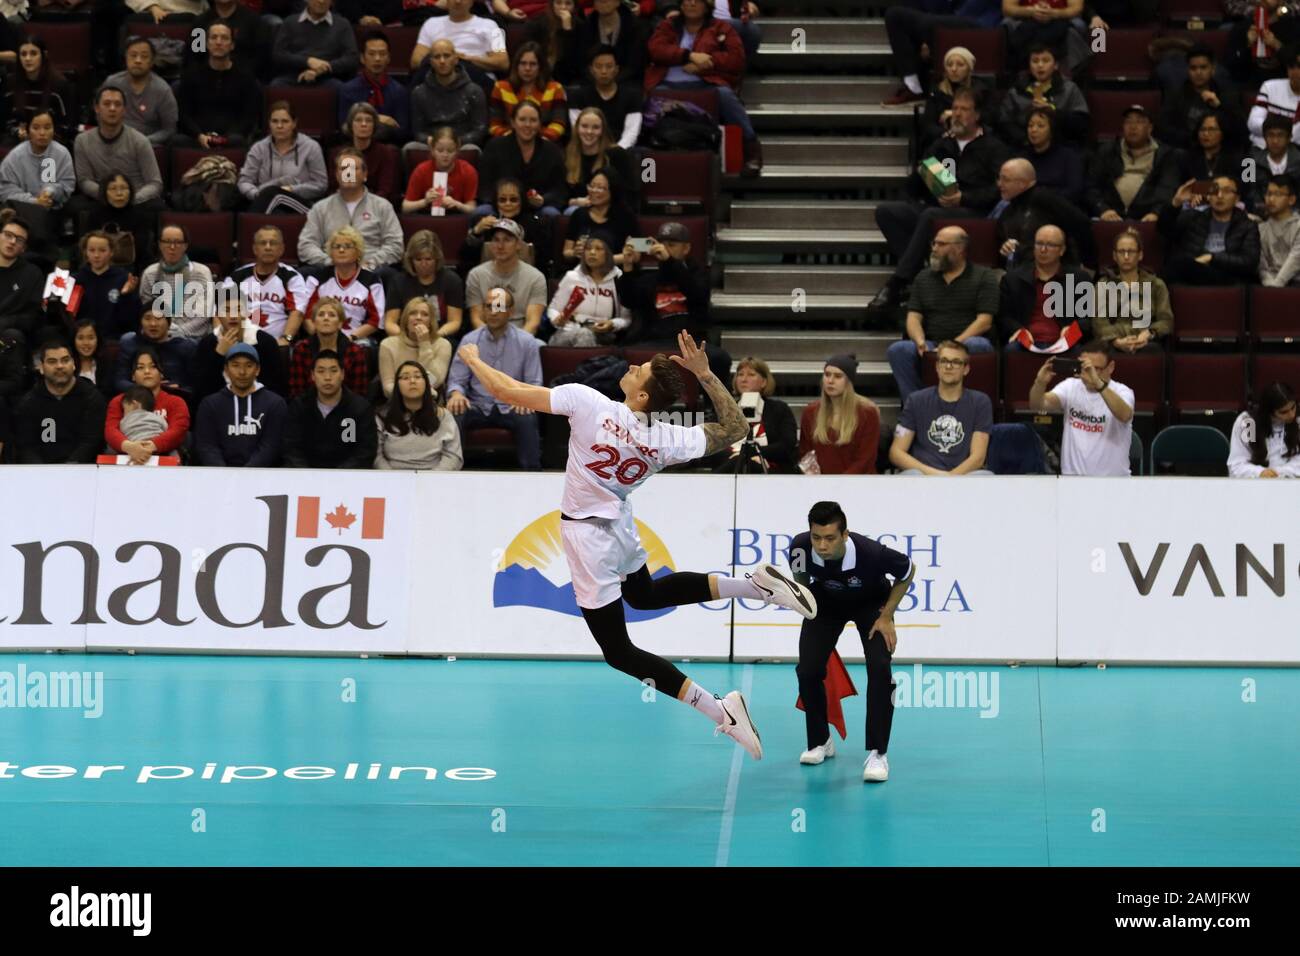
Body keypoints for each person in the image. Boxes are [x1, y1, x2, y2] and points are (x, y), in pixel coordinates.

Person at [457, 327, 818, 761]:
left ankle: (720, 708)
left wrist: (473, 360)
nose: (631, 366)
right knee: (644, 594)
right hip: (621, 525)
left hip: (588, 538)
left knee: (618, 651)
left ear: (644, 396)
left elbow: (504, 388)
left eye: (640, 369)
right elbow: (737, 427)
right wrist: (704, 373)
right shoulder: (666, 438)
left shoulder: (587, 402)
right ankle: (754, 587)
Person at [787, 501, 915, 781]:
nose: (822, 545)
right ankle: (821, 740)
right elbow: (800, 579)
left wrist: (887, 616)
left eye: (830, 538)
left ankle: (878, 753)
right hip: (826, 604)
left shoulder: (872, 554)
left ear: (845, 534)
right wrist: (805, 603)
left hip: (871, 605)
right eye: (816, 537)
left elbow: (907, 571)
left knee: (880, 668)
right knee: (807, 669)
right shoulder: (799, 547)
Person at [869, 88, 1010, 312]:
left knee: (930, 216)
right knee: (887, 211)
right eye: (954, 108)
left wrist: (964, 197)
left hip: (975, 212)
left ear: (977, 115)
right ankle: (918, 272)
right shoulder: (943, 145)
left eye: (964, 109)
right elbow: (916, 182)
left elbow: (999, 190)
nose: (957, 114)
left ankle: (898, 283)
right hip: (938, 208)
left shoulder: (993, 147)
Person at [645, 0, 761, 176]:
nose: (691, 3)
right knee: (646, 97)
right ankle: (646, 158)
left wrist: (708, 62)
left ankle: (751, 148)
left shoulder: (721, 27)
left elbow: (736, 59)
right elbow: (656, 49)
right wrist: (688, 56)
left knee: (726, 96)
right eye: (686, 0)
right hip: (667, 83)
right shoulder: (668, 26)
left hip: (706, 81)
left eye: (696, 0)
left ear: (707, 5)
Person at [888, 226, 998, 405]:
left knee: (978, 345)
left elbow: (985, 321)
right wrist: (920, 341)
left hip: (967, 342)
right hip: (933, 342)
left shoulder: (984, 276)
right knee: (899, 349)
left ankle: (970, 405)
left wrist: (954, 345)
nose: (934, 248)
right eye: (934, 243)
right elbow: (914, 316)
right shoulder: (923, 278)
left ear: (960, 249)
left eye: (941, 244)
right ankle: (918, 407)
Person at [617, 221, 730, 382]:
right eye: (661, 244)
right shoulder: (650, 278)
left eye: (671, 244)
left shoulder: (698, 274)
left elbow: (697, 293)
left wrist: (669, 261)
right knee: (621, 359)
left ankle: (711, 406)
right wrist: (628, 268)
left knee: (720, 358)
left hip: (691, 342)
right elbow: (629, 300)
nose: (664, 248)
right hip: (654, 341)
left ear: (686, 249)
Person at [445, 289, 543, 469]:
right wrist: (457, 394)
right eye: (489, 306)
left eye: (499, 307)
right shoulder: (469, 340)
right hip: (477, 405)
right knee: (455, 410)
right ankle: (452, 471)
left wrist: (526, 399)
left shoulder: (527, 342)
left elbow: (534, 382)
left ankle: (532, 473)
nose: (493, 312)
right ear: (482, 309)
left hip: (512, 404)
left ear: (511, 311)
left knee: (526, 415)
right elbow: (457, 379)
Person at [1029, 340, 1135, 476]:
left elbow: (1125, 415)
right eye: (1084, 367)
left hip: (1112, 481)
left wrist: (1098, 383)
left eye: (1096, 368)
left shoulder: (1123, 391)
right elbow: (1037, 405)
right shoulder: (1070, 386)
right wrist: (1040, 383)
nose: (1089, 373)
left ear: (1111, 367)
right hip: (1072, 480)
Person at [889, 340, 994, 475]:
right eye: (944, 361)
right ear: (937, 367)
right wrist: (935, 475)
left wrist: (950, 479)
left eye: (956, 362)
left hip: (964, 478)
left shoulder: (980, 402)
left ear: (966, 369)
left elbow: (978, 458)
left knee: (985, 476)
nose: (948, 366)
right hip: (924, 477)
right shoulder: (915, 400)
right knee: (911, 475)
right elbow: (896, 452)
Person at [298, 149, 405, 273]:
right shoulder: (320, 208)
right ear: (337, 175)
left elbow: (395, 245)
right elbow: (306, 245)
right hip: (330, 270)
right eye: (343, 169)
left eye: (354, 169)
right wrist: (331, 262)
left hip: (371, 271)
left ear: (365, 175)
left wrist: (370, 263)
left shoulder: (382, 206)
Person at [70, 86, 165, 224]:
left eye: (118, 104)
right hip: (101, 198)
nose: (112, 108)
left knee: (156, 207)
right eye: (107, 104)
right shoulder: (82, 141)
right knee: (74, 206)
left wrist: (128, 197)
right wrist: (108, 195)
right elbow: (84, 180)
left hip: (134, 199)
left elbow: (155, 183)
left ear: (124, 110)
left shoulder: (140, 141)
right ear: (97, 108)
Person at [880, 0, 1002, 106]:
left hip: (980, 25)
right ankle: (915, 86)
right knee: (897, 14)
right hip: (952, 18)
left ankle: (917, 84)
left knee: (909, 19)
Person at [10, 338, 107, 463]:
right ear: (41, 367)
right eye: (52, 361)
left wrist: (67, 470)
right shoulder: (28, 403)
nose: (60, 366)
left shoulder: (92, 398)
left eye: (65, 360)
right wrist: (43, 472)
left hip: (82, 472)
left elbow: (91, 442)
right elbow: (26, 447)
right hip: (40, 473)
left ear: (73, 364)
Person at [997, 224, 1092, 351]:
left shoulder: (1079, 279)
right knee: (1012, 350)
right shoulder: (1013, 279)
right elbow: (1004, 316)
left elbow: (1087, 318)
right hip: (1026, 342)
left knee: (1081, 352)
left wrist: (1073, 329)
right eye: (1039, 244)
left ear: (1062, 250)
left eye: (1050, 245)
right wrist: (1018, 330)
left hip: (1064, 342)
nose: (1043, 250)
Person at [194, 342, 289, 467]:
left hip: (262, 477)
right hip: (220, 477)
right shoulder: (210, 404)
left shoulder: (275, 403)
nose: (242, 372)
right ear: (226, 370)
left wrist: (245, 475)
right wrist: (224, 475)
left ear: (257, 370)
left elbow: (270, 446)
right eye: (235, 365)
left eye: (249, 366)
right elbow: (207, 446)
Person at [1085, 105, 1182, 223]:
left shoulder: (1165, 155)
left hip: (1148, 217)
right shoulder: (1107, 151)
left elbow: (1168, 189)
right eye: (1128, 121)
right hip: (1110, 216)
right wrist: (1103, 209)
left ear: (1150, 128)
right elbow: (1091, 187)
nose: (1133, 127)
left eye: (1140, 122)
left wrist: (1156, 213)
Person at [283, 348, 378, 468]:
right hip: (307, 477)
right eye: (321, 371)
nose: (327, 377)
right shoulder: (299, 406)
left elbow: (365, 452)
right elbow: (291, 447)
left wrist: (337, 476)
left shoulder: (360, 408)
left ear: (342, 374)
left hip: (347, 478)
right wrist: (307, 475)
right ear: (313, 375)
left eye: (333, 371)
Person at [174, 22, 263, 148]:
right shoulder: (191, 75)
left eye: (224, 38)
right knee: (177, 141)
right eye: (214, 37)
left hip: (231, 138)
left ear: (232, 45)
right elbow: (183, 114)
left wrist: (224, 139)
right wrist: (199, 135)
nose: (218, 42)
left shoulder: (246, 78)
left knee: (238, 141)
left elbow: (248, 117)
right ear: (206, 43)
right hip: (198, 138)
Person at [1159, 175, 1261, 285]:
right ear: (1208, 196)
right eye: (1214, 190)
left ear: (1237, 199)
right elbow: (1164, 229)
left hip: (1229, 277)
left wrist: (1212, 258)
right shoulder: (1193, 218)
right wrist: (1176, 202)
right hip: (1195, 274)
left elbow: (1249, 262)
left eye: (1226, 191)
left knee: (1176, 265)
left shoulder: (1248, 226)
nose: (1219, 196)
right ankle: (1144, 301)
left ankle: (1146, 300)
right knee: (1148, 278)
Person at [475, 102, 567, 218]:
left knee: (551, 214)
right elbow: (485, 186)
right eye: (522, 119)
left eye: (533, 120)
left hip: (538, 208)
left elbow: (559, 189)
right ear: (513, 122)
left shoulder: (552, 151)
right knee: (482, 212)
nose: (527, 125)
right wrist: (500, 201)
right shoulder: (494, 147)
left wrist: (543, 200)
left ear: (539, 124)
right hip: (501, 205)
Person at [237, 100, 330, 215]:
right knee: (275, 208)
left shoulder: (311, 147)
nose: (279, 126)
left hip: (301, 204)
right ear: (269, 123)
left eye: (285, 121)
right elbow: (244, 181)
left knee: (273, 194)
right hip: (266, 202)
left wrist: (291, 190)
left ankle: (250, 226)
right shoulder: (259, 148)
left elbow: (321, 185)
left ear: (294, 123)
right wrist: (256, 194)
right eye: (274, 121)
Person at [708, 356, 798, 474]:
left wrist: (753, 453)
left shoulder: (780, 409)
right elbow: (712, 445)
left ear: (764, 382)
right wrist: (741, 456)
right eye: (740, 374)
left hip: (770, 468)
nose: (744, 379)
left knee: (745, 463)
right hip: (730, 465)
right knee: (738, 462)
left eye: (751, 374)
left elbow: (787, 445)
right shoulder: (724, 410)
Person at [104, 344, 192, 463]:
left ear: (161, 373)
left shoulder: (176, 402)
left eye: (153, 366)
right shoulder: (120, 401)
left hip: (164, 456)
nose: (147, 371)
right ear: (133, 376)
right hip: (127, 455)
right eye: (140, 367)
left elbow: (178, 430)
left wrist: (152, 446)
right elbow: (110, 430)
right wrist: (129, 447)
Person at [223, 225, 309, 345]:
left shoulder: (291, 277)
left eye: (273, 243)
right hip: (240, 342)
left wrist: (286, 338)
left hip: (277, 342)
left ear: (281, 249)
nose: (268, 247)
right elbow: (220, 312)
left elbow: (297, 313)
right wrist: (223, 338)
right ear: (255, 249)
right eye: (263, 243)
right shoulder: (237, 277)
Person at [192, 295, 288, 402]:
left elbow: (277, 389)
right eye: (227, 310)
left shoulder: (265, 342)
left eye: (238, 310)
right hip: (220, 406)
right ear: (217, 315)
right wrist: (218, 355)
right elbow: (201, 392)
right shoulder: (208, 343)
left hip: (258, 405)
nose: (233, 316)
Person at [1093, 227, 1173, 353]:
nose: (1126, 256)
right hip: (1113, 342)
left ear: (1140, 255)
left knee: (1153, 350)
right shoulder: (1103, 284)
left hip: (1145, 341)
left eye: (1131, 251)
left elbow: (1166, 321)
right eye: (1121, 251)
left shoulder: (1156, 284)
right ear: (1114, 255)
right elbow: (1099, 322)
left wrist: (1149, 333)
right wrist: (1116, 341)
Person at [798, 355, 880, 475]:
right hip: (821, 485)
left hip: (857, 484)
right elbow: (805, 454)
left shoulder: (867, 413)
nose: (830, 381)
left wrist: (839, 484)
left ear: (849, 382)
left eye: (838, 376)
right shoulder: (811, 412)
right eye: (827, 375)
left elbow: (865, 460)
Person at [995, 43, 1088, 149]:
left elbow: (1081, 124)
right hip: (1024, 146)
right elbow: (1004, 122)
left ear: (1056, 65)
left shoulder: (1069, 89)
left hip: (1061, 146)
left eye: (1045, 60)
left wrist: (1052, 110)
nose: (1040, 65)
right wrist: (1026, 139)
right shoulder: (1016, 91)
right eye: (1035, 61)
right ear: (1029, 66)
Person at [302, 226, 386, 343]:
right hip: (320, 337)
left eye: (347, 246)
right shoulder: (317, 277)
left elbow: (377, 320)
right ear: (330, 252)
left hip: (357, 338)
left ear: (358, 252)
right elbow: (305, 315)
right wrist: (321, 337)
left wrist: (350, 338)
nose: (341, 250)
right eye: (336, 247)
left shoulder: (371, 280)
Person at [374, 359, 463, 470]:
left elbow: (452, 455)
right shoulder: (382, 416)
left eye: (417, 377)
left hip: (435, 479)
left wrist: (432, 480)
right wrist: (392, 479)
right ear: (397, 385)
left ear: (426, 383)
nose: (412, 381)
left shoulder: (443, 415)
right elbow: (377, 456)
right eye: (405, 377)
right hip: (392, 479)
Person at [1157, 43, 1245, 153]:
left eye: (1203, 67)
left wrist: (1220, 106)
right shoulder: (1176, 94)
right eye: (1193, 68)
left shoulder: (1227, 93)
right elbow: (1163, 128)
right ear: (1187, 70)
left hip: (1220, 152)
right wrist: (1195, 139)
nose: (1198, 72)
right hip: (1186, 150)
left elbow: (1240, 130)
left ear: (1213, 69)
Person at [0, 108, 76, 235]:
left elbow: (67, 185)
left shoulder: (61, 153)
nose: (42, 133)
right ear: (27, 129)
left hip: (52, 209)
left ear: (54, 129)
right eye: (36, 128)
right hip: (22, 209)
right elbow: (5, 190)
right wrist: (34, 202)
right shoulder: (15, 156)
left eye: (47, 127)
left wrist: (49, 192)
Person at [546, 232, 629, 346]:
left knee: (586, 335)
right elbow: (553, 309)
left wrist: (612, 324)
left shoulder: (619, 279)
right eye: (588, 249)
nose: (592, 252)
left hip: (604, 336)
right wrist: (557, 319)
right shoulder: (572, 277)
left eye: (599, 249)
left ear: (609, 254)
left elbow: (626, 319)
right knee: (584, 334)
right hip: (569, 331)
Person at [465, 219, 547, 334]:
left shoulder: (536, 277)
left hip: (520, 335)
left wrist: (514, 344)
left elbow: (532, 323)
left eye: (507, 240)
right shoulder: (476, 275)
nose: (500, 246)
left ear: (518, 244)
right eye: (496, 240)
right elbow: (476, 319)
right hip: (487, 335)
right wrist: (492, 342)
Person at [138, 224, 215, 343]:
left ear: (185, 246)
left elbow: (204, 315)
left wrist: (178, 333)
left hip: (191, 337)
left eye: (178, 242)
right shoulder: (150, 273)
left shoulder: (201, 272)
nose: (172, 247)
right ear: (159, 244)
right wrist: (162, 332)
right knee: (127, 339)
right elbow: (146, 311)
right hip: (157, 334)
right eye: (167, 242)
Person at [409, 39, 490, 150]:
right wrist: (436, 143)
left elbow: (480, 130)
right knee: (411, 148)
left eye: (446, 56)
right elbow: (418, 131)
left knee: (471, 149)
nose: (442, 61)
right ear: (431, 62)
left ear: (456, 59)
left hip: (463, 144)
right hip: (431, 144)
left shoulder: (474, 91)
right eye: (437, 57)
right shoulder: (419, 93)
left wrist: (455, 142)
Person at [384, 230, 465, 340]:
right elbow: (390, 323)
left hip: (439, 338)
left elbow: (454, 321)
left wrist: (433, 337)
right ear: (410, 260)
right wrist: (407, 338)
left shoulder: (451, 280)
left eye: (428, 259)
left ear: (437, 259)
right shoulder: (399, 281)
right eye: (418, 259)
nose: (423, 264)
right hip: (405, 339)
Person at [463, 177, 552, 273]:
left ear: (522, 201)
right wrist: (476, 232)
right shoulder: (485, 223)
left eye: (513, 200)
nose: (508, 203)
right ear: (496, 203)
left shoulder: (536, 224)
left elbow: (544, 261)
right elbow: (465, 259)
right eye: (502, 200)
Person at [337, 29, 412, 144]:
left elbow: (402, 132)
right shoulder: (348, 90)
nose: (377, 59)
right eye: (372, 54)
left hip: (387, 149)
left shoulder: (399, 91)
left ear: (388, 58)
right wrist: (378, 119)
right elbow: (345, 128)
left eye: (382, 54)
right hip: (355, 148)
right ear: (362, 58)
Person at [287, 297, 370, 397]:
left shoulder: (355, 352)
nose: (326, 318)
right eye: (321, 314)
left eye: (332, 315)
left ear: (340, 323)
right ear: (313, 322)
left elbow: (359, 393)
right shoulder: (301, 350)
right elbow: (297, 392)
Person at [411, 0, 509, 85]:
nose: (458, 1)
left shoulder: (491, 24)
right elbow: (416, 61)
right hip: (437, 78)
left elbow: (503, 62)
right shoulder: (430, 23)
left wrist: (467, 59)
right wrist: (447, 60)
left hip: (475, 78)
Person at [1, 35, 76, 144]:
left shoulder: (59, 84)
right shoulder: (11, 83)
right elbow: (5, 121)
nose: (27, 58)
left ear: (44, 55)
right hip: (19, 141)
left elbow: (67, 125)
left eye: (33, 53)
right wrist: (17, 131)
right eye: (23, 54)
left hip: (50, 140)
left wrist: (43, 134)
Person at [562, 106, 636, 214]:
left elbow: (629, 192)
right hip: (578, 209)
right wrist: (575, 201)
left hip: (610, 210)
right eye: (584, 126)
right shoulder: (566, 154)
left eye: (596, 127)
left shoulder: (617, 154)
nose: (589, 131)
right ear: (577, 128)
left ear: (602, 130)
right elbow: (561, 195)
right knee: (573, 212)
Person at [568, 44, 643, 150]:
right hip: (587, 149)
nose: (604, 71)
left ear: (616, 69)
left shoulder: (632, 96)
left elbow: (631, 133)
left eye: (609, 66)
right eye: (598, 66)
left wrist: (616, 151)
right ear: (591, 70)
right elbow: (577, 129)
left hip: (621, 151)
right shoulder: (577, 96)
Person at [104, 36, 177, 145]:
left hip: (147, 145)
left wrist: (144, 141)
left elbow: (169, 129)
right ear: (126, 58)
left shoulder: (162, 90)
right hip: (113, 141)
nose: (138, 61)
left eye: (144, 56)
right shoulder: (112, 82)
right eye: (133, 56)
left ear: (152, 61)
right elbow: (100, 114)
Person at [489, 41, 568, 142]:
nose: (527, 68)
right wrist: (513, 139)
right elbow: (494, 125)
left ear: (540, 67)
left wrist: (541, 140)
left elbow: (559, 124)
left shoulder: (555, 89)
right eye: (523, 63)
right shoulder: (500, 88)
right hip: (508, 143)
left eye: (533, 64)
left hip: (545, 143)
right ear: (516, 65)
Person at [915, 45, 991, 148]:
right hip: (942, 143)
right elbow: (928, 125)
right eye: (949, 65)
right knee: (931, 161)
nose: (954, 69)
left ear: (969, 68)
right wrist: (948, 135)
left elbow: (990, 119)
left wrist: (954, 113)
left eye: (960, 65)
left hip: (975, 143)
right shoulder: (937, 91)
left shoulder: (980, 90)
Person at [271, 0, 359, 87]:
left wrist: (326, 67)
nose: (321, 1)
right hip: (294, 75)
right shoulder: (290, 22)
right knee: (276, 86)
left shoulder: (343, 24)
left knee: (340, 88)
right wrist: (307, 61)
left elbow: (352, 57)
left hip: (328, 77)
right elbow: (279, 54)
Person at [72, 230, 140, 340]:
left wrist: (126, 295)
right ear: (85, 252)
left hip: (113, 340)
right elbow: (72, 316)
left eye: (102, 250)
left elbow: (130, 320)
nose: (96, 255)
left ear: (111, 252)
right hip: (83, 340)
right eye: (92, 250)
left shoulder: (123, 278)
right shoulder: (76, 280)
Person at [82, 172, 155, 274]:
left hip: (132, 268)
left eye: (124, 188)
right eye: (113, 189)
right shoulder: (95, 215)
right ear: (104, 192)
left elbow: (141, 249)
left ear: (131, 191)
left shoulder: (140, 215)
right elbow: (88, 247)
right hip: (99, 267)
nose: (119, 193)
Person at [379, 297, 451, 398]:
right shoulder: (388, 345)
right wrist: (409, 397)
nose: (418, 317)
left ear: (431, 322)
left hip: (430, 403)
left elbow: (435, 381)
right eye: (413, 313)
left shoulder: (443, 345)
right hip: (397, 402)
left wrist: (424, 344)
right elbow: (388, 386)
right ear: (405, 319)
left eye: (425, 314)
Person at [329, 103, 400, 202]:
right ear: (350, 125)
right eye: (358, 120)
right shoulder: (340, 154)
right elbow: (336, 188)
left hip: (375, 206)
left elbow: (385, 190)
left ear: (374, 126)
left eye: (369, 120)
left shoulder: (385, 153)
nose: (363, 124)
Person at [562, 170, 636, 265]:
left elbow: (636, 255)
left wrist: (602, 260)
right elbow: (566, 252)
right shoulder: (579, 214)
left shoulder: (627, 216)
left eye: (600, 188)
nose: (594, 191)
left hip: (615, 272)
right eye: (591, 186)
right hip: (583, 273)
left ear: (613, 190)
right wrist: (574, 253)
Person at [1017, 106, 1085, 208]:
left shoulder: (1068, 156)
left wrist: (1044, 199)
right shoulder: (1021, 158)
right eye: (1030, 126)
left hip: (1060, 209)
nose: (1033, 130)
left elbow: (1074, 190)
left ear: (1052, 130)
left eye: (1040, 126)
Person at [1228, 381, 1300, 477]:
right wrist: (1259, 473)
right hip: (1255, 484)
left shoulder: (1298, 420)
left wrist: (1280, 472)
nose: (1292, 414)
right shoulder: (1248, 423)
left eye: (1293, 407)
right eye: (1284, 412)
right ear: (1269, 412)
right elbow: (1236, 465)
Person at [402, 127, 479, 216]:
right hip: (427, 218)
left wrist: (457, 204)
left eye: (450, 151)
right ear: (432, 150)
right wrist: (425, 201)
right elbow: (405, 207)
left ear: (457, 150)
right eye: (440, 150)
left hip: (456, 218)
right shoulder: (421, 170)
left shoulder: (468, 171)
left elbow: (472, 209)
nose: (445, 155)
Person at [113, 312, 196, 394]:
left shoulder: (186, 347)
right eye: (148, 318)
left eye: (159, 319)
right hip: (136, 397)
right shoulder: (129, 343)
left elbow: (194, 386)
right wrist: (150, 388)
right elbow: (120, 381)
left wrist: (178, 388)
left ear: (169, 323)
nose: (153, 324)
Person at [0, 215, 47, 356]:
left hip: (7, 335)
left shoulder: (32, 274)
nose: (12, 242)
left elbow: (33, 317)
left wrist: (4, 322)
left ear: (24, 248)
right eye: (8, 235)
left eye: (19, 240)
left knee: (13, 336)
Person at [578, 0, 646, 87]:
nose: (603, 1)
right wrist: (597, 81)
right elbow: (582, 62)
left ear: (618, 2)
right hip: (593, 81)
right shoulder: (587, 25)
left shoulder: (635, 26)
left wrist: (611, 82)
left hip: (627, 81)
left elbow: (635, 65)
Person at [1247, 43, 1300, 148]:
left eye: (1299, 67)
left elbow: (1296, 136)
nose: (1295, 72)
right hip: (1261, 149)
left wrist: (1270, 129)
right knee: (1247, 163)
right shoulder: (1269, 87)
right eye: (1291, 67)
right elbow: (1253, 123)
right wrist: (1280, 133)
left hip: (1294, 154)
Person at [1177, 112, 1246, 190]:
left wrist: (1200, 189)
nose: (1206, 134)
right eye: (1202, 130)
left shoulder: (1237, 158)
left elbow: (1244, 188)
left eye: (1212, 129)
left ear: (1222, 132)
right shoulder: (1187, 157)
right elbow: (1180, 186)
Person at [1248, 114, 1300, 214]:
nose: (1275, 141)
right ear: (1264, 137)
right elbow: (1249, 192)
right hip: (1262, 214)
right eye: (1271, 135)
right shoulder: (1249, 162)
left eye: (1280, 135)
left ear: (1289, 138)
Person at [528, 0, 584, 86]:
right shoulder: (539, 23)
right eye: (558, 3)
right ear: (552, 4)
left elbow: (574, 62)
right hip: (541, 74)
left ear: (574, 6)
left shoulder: (580, 26)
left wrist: (567, 31)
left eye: (568, 3)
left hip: (569, 77)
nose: (563, 7)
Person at [71, 319, 116, 401]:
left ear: (98, 339)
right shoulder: (68, 364)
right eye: (80, 338)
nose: (86, 343)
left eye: (91, 338)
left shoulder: (106, 362)